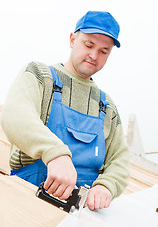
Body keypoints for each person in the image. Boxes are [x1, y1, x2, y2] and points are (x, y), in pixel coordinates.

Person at [1, 11, 130, 211]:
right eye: (88, 45)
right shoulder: (40, 76)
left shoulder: (107, 107)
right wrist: (55, 154)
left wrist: (107, 185)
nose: (94, 55)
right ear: (72, 39)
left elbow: (119, 160)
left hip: (79, 219)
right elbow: (16, 116)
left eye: (104, 51)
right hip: (26, 204)